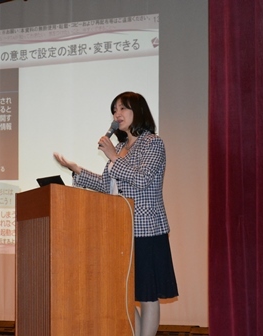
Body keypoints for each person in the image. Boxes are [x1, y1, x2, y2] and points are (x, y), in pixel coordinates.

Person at [53, 91, 178, 336]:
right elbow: (107, 186)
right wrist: (77, 170)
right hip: (119, 229)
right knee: (123, 293)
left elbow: (142, 179)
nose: (117, 114)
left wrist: (112, 157)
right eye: (114, 110)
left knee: (147, 295)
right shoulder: (120, 146)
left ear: (138, 111)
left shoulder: (153, 142)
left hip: (146, 229)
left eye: (123, 109)